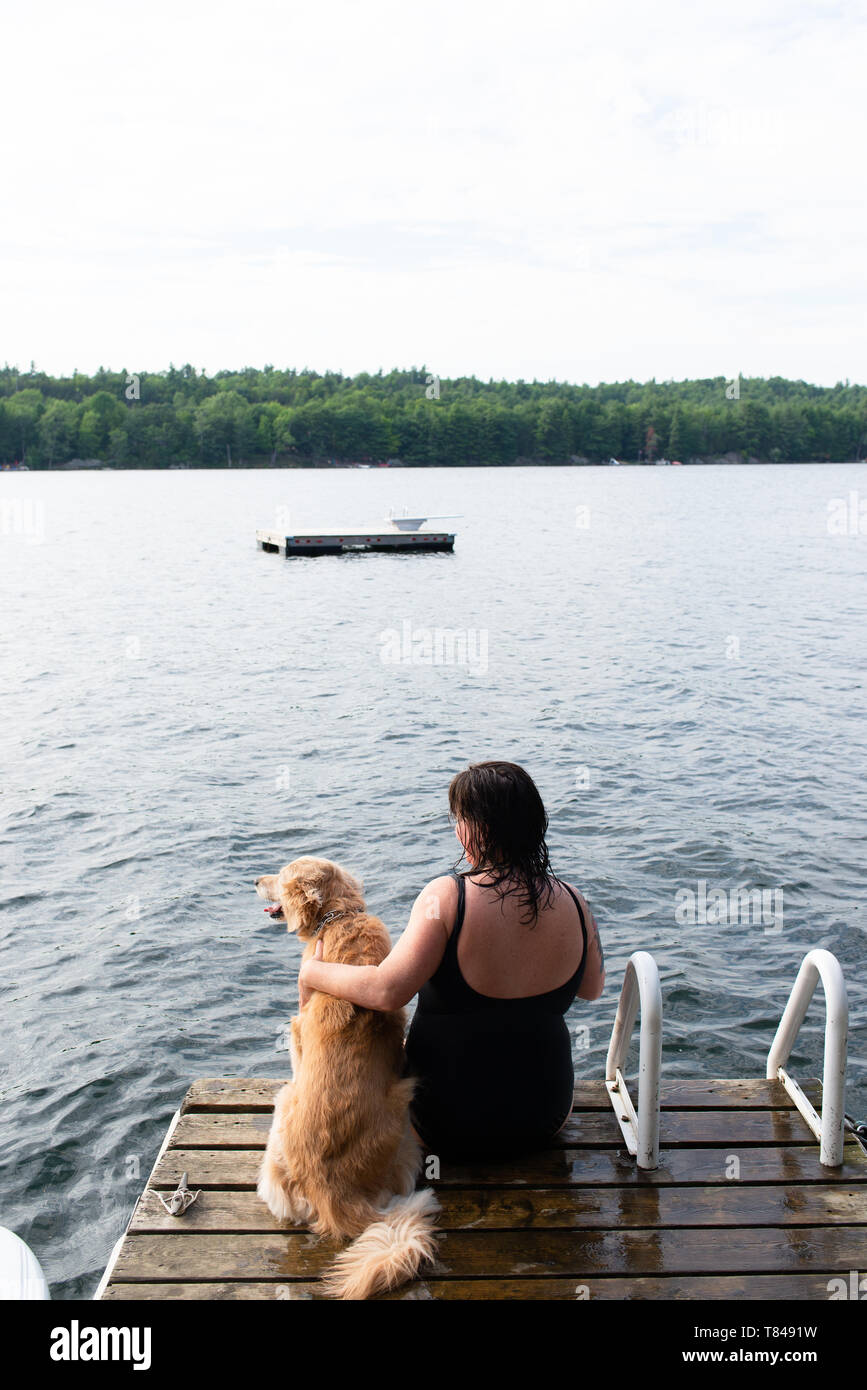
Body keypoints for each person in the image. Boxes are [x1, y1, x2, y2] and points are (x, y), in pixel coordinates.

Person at [298, 760, 605, 1159]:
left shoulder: (447, 898)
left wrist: (313, 970)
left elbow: (387, 990)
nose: (456, 829)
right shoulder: (575, 903)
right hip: (543, 1117)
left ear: (479, 829)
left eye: (459, 819)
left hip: (444, 1123)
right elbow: (593, 989)